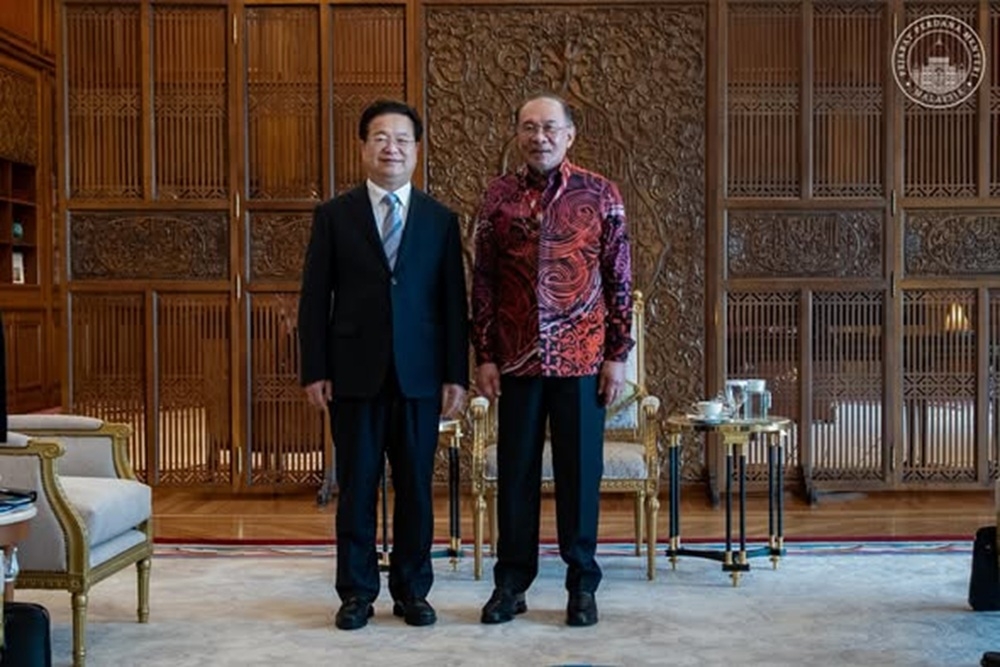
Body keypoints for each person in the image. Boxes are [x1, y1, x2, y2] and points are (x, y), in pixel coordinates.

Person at [297, 99, 469, 630]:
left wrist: (455, 375)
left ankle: (413, 591)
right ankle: (356, 593)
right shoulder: (334, 215)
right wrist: (314, 369)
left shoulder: (441, 220)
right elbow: (313, 298)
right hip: (353, 373)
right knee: (358, 486)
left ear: (416, 150)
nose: (390, 147)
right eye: (379, 137)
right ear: (363, 146)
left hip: (420, 378)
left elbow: (452, 304)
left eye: (401, 139)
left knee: (416, 487)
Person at [471, 92, 634, 627]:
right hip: (517, 362)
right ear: (517, 135)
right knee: (515, 475)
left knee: (579, 476)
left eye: (548, 127)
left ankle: (581, 586)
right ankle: (510, 585)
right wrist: (486, 354)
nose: (538, 137)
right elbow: (484, 282)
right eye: (527, 127)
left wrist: (617, 354)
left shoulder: (600, 194)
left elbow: (619, 279)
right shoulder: (497, 196)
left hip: (582, 359)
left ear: (569, 135)